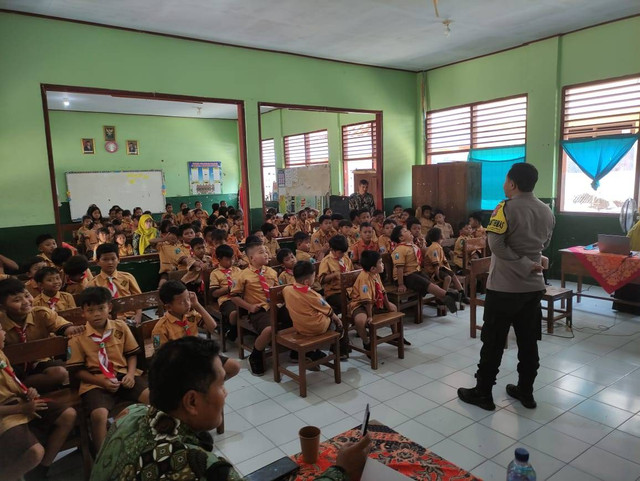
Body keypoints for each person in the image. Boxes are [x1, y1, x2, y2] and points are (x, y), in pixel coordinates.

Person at [91, 337, 370, 481]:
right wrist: (341, 471)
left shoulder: (130, 416)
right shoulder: (203, 468)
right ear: (191, 401)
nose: (226, 394)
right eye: (221, 385)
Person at [458, 163, 555, 411]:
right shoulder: (547, 210)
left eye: (505, 180)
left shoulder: (504, 208)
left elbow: (497, 246)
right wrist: (532, 260)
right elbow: (544, 243)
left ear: (512, 183)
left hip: (504, 287)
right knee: (528, 341)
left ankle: (483, 393)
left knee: (493, 341)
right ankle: (526, 391)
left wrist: (523, 263)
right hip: (533, 287)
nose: (503, 184)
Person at [67, 287, 149, 452]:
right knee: (99, 415)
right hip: (95, 381)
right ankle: (102, 456)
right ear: (82, 312)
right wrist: (100, 381)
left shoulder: (120, 327)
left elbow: (132, 354)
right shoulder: (77, 338)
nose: (96, 314)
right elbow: (77, 371)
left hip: (124, 374)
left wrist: (131, 375)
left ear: (109, 308)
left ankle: (150, 441)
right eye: (90, 310)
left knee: (152, 397)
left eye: (101, 308)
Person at [0, 324, 77, 481]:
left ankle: (40, 472)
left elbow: (12, 382)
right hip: (7, 411)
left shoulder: (1, 354)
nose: (3, 334)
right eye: (0, 330)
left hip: (20, 401)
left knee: (68, 415)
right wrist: (22, 408)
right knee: (35, 452)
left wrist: (27, 392)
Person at [0, 278, 83, 393]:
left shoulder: (41, 313)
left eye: (27, 295)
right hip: (12, 367)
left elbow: (62, 327)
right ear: (2, 307)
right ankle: (17, 389)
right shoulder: (1, 324)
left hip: (39, 362)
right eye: (17, 300)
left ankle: (21, 389)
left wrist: (73, 330)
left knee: (61, 372)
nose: (25, 301)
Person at [152, 280, 240, 380]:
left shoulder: (190, 314)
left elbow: (212, 326)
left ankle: (210, 388)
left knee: (234, 367)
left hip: (198, 354)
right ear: (168, 307)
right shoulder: (159, 329)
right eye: (182, 302)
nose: (187, 304)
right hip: (179, 363)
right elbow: (161, 357)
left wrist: (197, 305)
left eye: (188, 299)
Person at [230, 242, 288, 376]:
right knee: (268, 329)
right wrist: (249, 307)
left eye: (266, 251)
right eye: (261, 252)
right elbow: (233, 296)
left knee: (298, 314)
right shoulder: (242, 275)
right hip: (258, 309)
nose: (266, 254)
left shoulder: (272, 272)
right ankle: (256, 355)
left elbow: (279, 289)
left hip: (275, 306)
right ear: (251, 258)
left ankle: (298, 351)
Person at [283, 260, 345, 360]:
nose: (315, 278)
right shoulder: (312, 295)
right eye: (313, 277)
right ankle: (329, 349)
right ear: (306, 282)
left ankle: (309, 352)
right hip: (315, 328)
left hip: (299, 326)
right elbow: (328, 310)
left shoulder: (287, 290)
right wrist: (337, 320)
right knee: (332, 320)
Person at [389, 225, 458, 313]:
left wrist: (423, 245)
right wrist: (401, 284)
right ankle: (447, 295)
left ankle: (443, 298)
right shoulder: (399, 249)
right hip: (404, 276)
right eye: (406, 231)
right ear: (401, 238)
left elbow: (423, 254)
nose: (409, 231)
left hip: (415, 272)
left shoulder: (412, 246)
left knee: (427, 280)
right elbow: (399, 268)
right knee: (424, 282)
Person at [349, 250, 398, 351]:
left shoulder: (376, 274)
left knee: (393, 308)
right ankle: (366, 341)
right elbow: (366, 301)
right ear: (372, 268)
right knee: (360, 321)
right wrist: (370, 316)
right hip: (360, 304)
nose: (383, 264)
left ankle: (396, 335)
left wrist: (388, 306)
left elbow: (383, 292)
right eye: (380, 262)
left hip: (374, 301)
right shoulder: (364, 278)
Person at [87, 243, 143, 324]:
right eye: (105, 259)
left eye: (113, 259)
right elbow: (93, 309)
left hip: (131, 317)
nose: (110, 262)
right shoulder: (93, 284)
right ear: (97, 261)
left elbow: (139, 298)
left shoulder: (128, 277)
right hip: (107, 321)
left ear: (118, 259)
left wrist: (138, 315)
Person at [424, 227, 469, 303]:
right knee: (448, 278)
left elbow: (444, 262)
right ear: (440, 236)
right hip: (433, 271)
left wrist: (449, 270)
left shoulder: (439, 246)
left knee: (453, 276)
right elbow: (435, 264)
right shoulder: (434, 247)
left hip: (440, 268)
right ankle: (443, 297)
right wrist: (437, 275)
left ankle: (462, 295)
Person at [209, 245, 240, 342]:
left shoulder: (237, 270)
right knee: (234, 313)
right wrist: (229, 288)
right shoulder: (215, 273)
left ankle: (233, 330)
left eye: (232, 258)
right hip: (226, 299)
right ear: (219, 259)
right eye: (227, 259)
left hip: (240, 296)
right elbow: (214, 293)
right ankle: (233, 330)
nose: (231, 261)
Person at [318, 235, 354, 315]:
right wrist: (334, 275)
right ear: (332, 250)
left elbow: (352, 272)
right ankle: (345, 324)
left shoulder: (346, 258)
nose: (343, 254)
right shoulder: (326, 261)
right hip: (334, 292)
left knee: (362, 300)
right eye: (340, 252)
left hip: (348, 290)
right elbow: (322, 280)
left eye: (344, 252)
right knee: (347, 305)